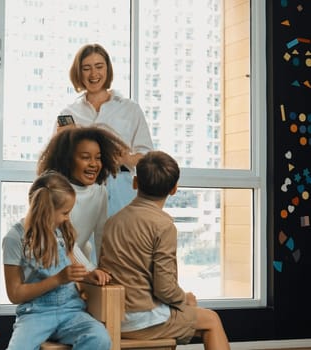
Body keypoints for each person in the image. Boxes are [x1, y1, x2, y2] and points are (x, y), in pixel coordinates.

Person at [98, 151, 230, 350]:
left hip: (111, 316)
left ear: (135, 182)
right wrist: (185, 299)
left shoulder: (113, 221)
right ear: (174, 189)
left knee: (193, 317)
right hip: (142, 320)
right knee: (211, 320)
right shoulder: (163, 225)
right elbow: (165, 288)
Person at [3, 170, 111, 350]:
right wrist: (57, 279)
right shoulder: (14, 238)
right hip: (35, 314)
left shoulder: (61, 231)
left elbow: (71, 270)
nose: (67, 218)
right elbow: (15, 294)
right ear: (46, 212)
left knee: (99, 338)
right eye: (65, 213)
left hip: (70, 311)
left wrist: (88, 275)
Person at [57, 43, 154, 218]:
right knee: (83, 243)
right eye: (86, 68)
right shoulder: (69, 113)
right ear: (79, 73)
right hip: (81, 189)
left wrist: (127, 158)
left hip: (120, 187)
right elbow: (59, 160)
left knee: (119, 242)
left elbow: (147, 157)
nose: (94, 74)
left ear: (108, 70)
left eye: (99, 66)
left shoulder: (129, 108)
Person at [37, 126, 128, 270]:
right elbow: (65, 241)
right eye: (85, 157)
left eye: (98, 158)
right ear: (67, 160)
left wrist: (104, 270)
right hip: (50, 264)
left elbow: (100, 235)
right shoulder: (55, 191)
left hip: (76, 265)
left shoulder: (100, 192)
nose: (93, 164)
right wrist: (90, 270)